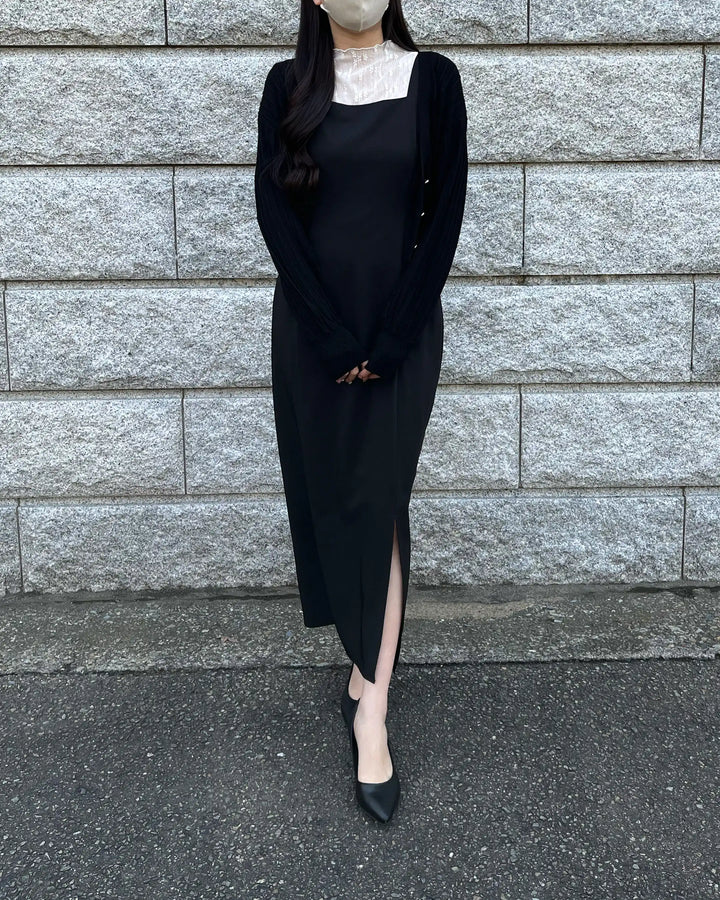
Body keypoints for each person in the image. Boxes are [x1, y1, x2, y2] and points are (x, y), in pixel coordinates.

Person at [254, 0, 468, 823]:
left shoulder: (433, 80)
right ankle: (361, 664)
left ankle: (371, 712)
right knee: (334, 497)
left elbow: (443, 216)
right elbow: (275, 213)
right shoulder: (288, 86)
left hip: (400, 329)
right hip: (314, 331)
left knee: (380, 501)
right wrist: (333, 335)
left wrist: (393, 335)